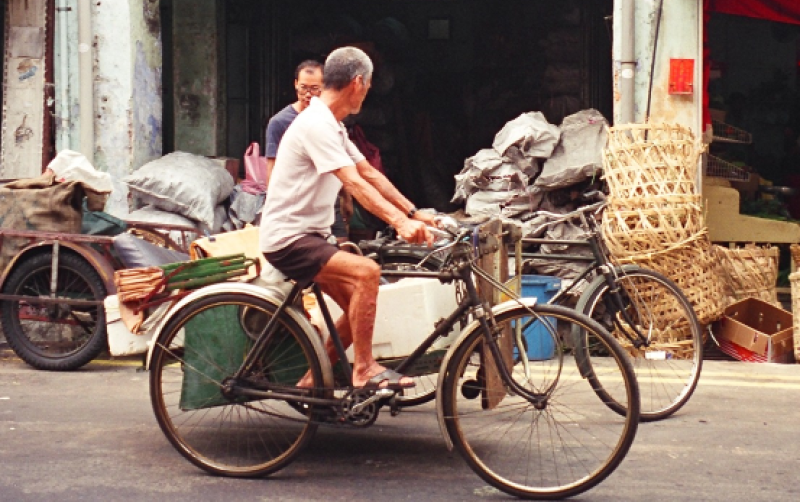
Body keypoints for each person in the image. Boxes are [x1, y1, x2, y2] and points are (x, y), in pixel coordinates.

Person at [260, 46, 437, 390]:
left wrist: (414, 212)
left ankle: (313, 379)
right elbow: (352, 182)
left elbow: (369, 173)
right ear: (358, 82)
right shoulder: (314, 124)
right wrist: (399, 224)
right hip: (289, 239)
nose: (369, 92)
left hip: (311, 236)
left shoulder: (333, 125)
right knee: (368, 272)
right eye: (369, 85)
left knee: (356, 311)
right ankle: (365, 370)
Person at [264, 59, 351, 244]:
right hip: (298, 205)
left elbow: (342, 163)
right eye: (303, 88)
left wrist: (347, 197)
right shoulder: (280, 122)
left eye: (315, 89)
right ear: (295, 84)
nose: (308, 94)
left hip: (328, 200)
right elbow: (272, 170)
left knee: (343, 248)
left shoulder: (330, 121)